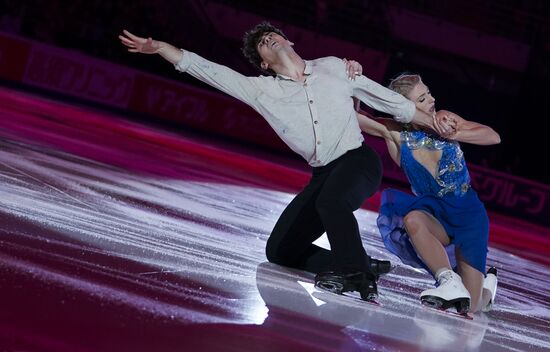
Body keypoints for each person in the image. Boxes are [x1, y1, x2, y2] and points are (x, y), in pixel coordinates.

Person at [118, 23, 452, 302]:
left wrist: (431, 121)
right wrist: (162, 48)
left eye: (271, 34)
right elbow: (210, 72)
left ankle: (357, 277)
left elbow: (386, 98)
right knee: (280, 249)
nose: (268, 38)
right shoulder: (261, 91)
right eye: (261, 44)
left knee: (332, 202)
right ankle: (359, 262)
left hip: (359, 162)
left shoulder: (335, 66)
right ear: (263, 63)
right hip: (323, 173)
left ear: (288, 40)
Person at [355, 73, 499, 313]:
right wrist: (353, 84)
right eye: (422, 99)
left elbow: (493, 136)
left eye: (428, 93)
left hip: (469, 215)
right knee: (413, 219)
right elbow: (356, 117)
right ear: (405, 107)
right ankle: (447, 280)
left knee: (471, 307)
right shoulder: (396, 134)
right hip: (433, 213)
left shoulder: (446, 120)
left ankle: (487, 287)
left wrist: (454, 133)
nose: (431, 100)